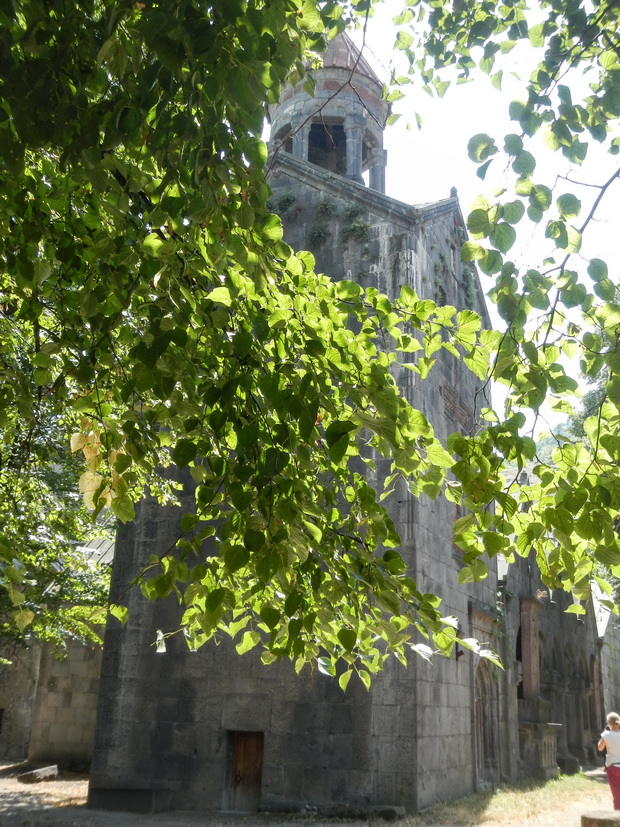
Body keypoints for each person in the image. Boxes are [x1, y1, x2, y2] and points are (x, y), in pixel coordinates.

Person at [598, 712, 620, 809]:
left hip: (613, 767)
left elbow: (600, 748)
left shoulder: (606, 734)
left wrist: (604, 734)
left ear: (609, 723)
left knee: (617, 793)